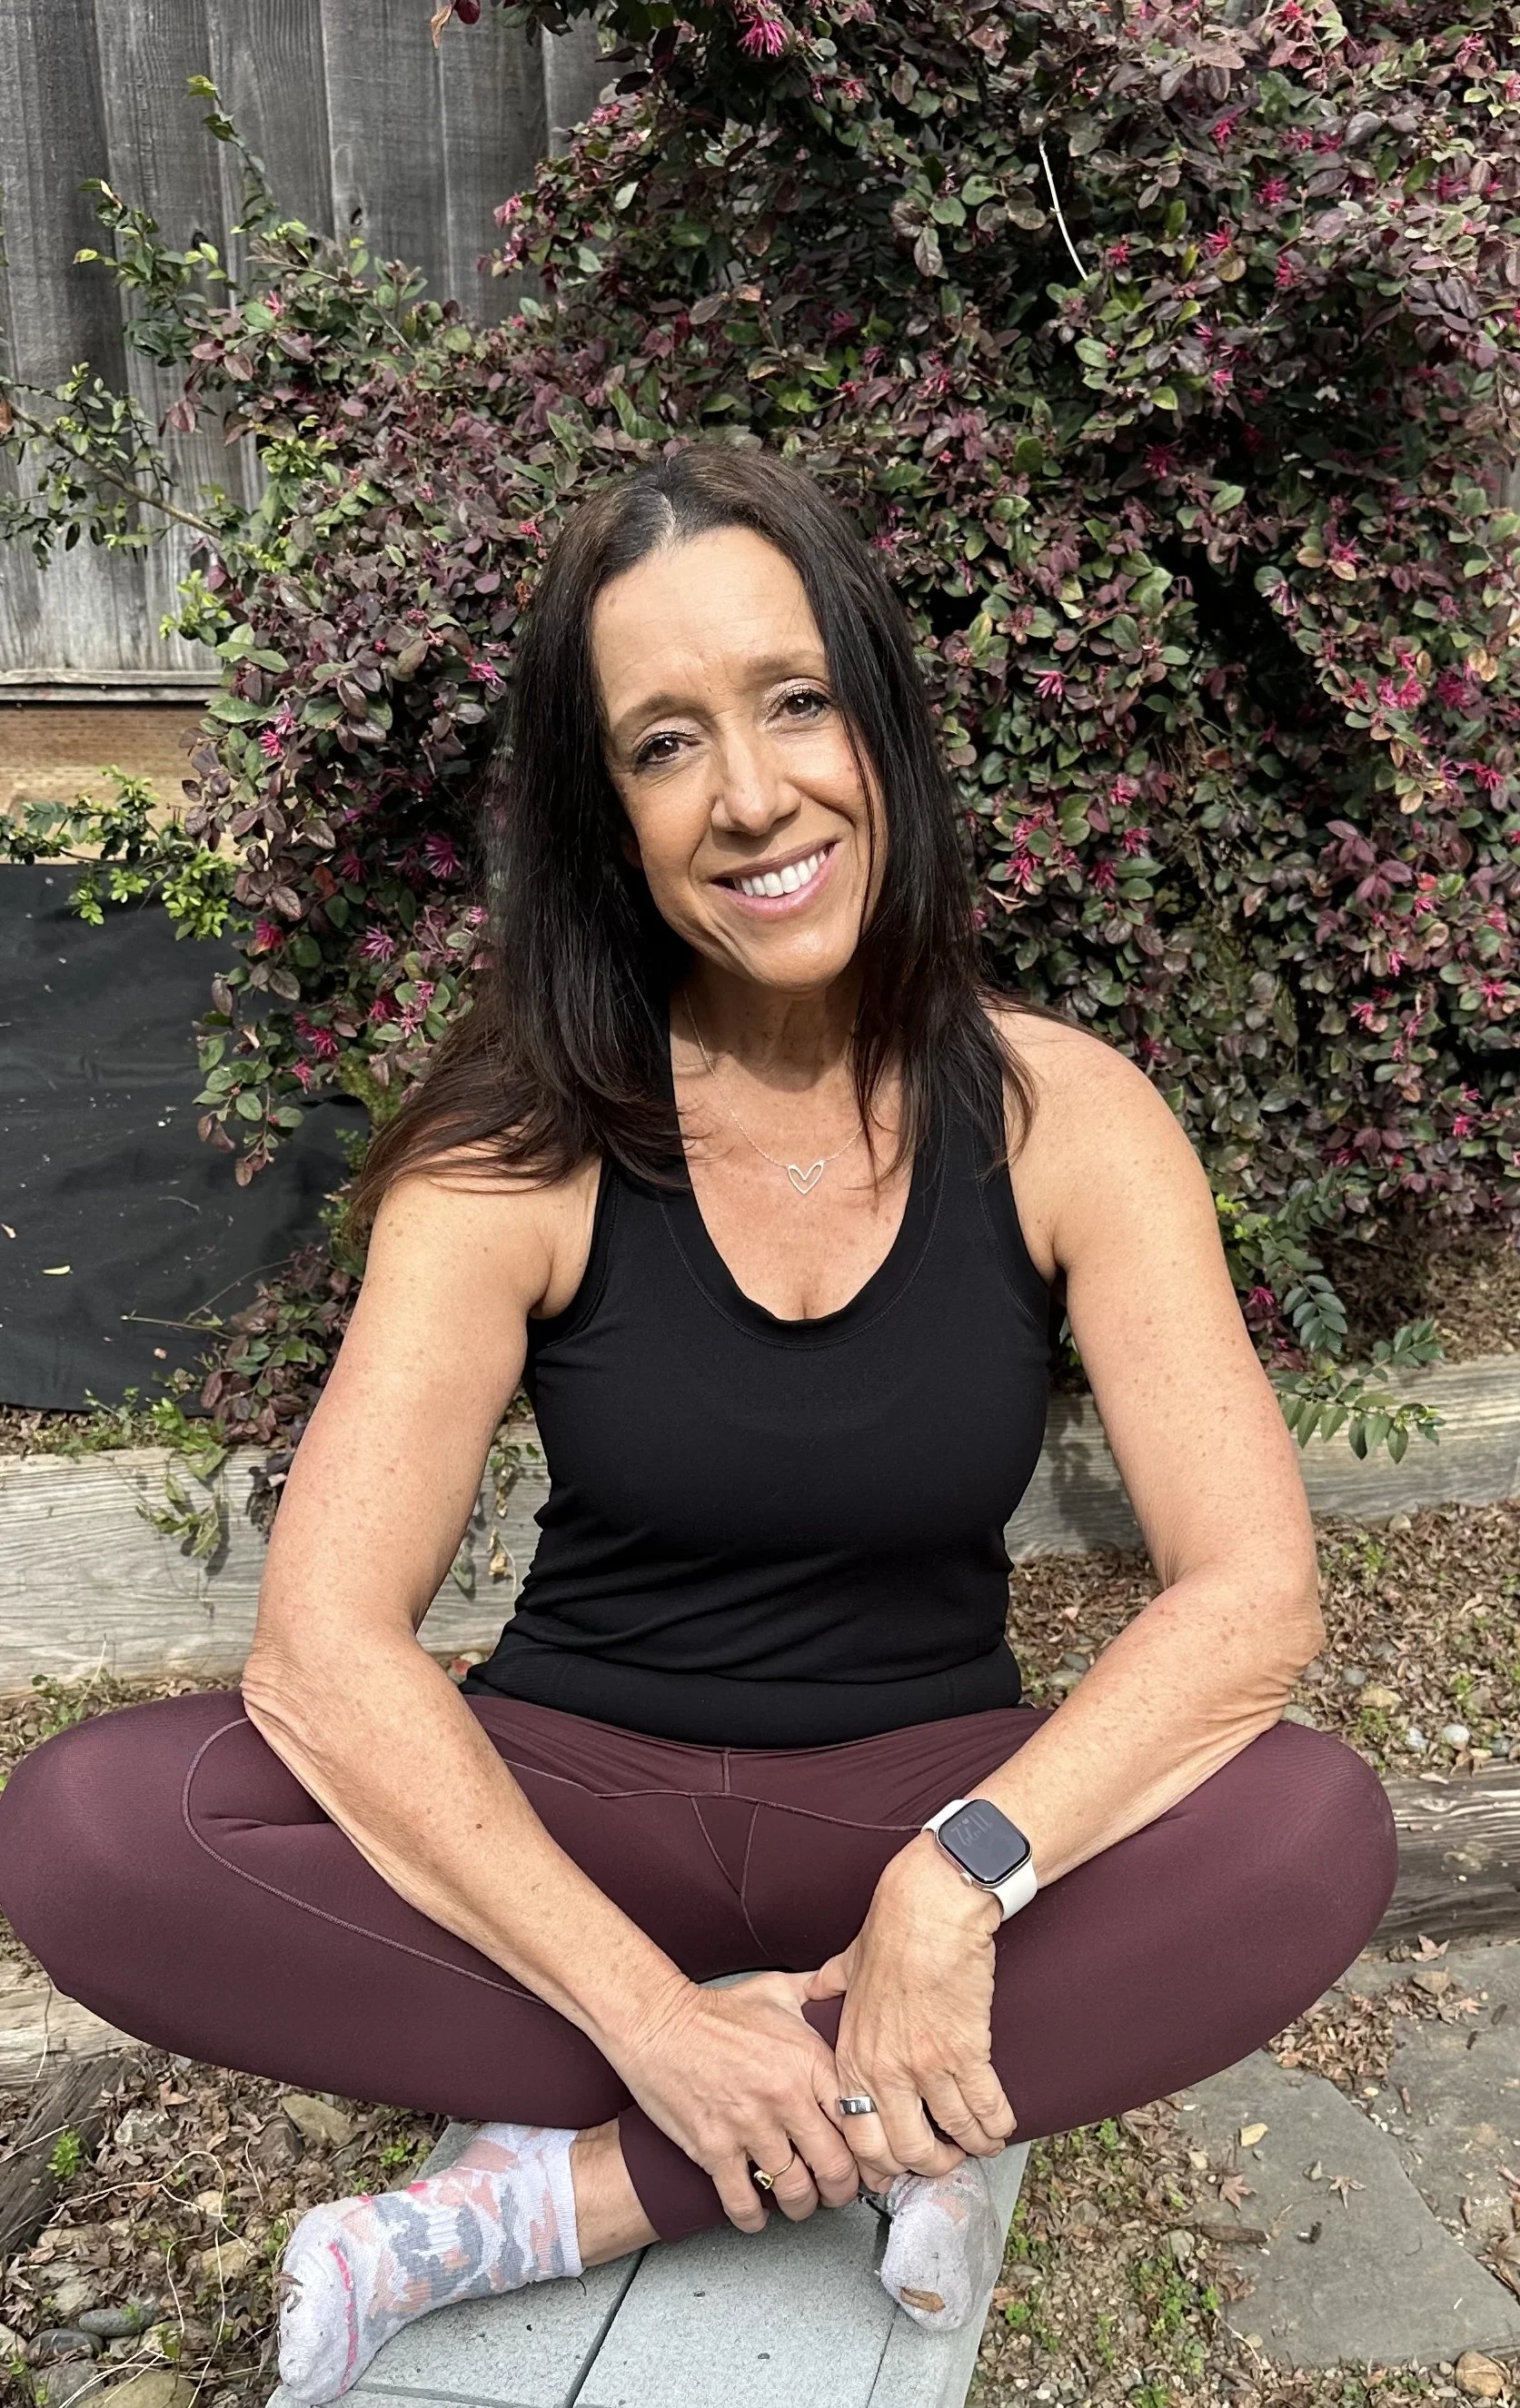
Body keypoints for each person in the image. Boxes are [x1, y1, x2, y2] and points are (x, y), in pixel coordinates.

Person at [0, 447, 1397, 2403]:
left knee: (1307, 1829)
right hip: (578, 1792)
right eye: (665, 743)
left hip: (909, 1796)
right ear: (611, 818)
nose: (749, 794)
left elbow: (1249, 1594)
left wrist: (954, 1880)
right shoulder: (512, 1148)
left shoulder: (1067, 1118)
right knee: (91, 1828)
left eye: (794, 699)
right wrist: (652, 2016)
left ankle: (547, 2199)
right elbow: (321, 1650)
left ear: (881, 726)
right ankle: (867, 2110)